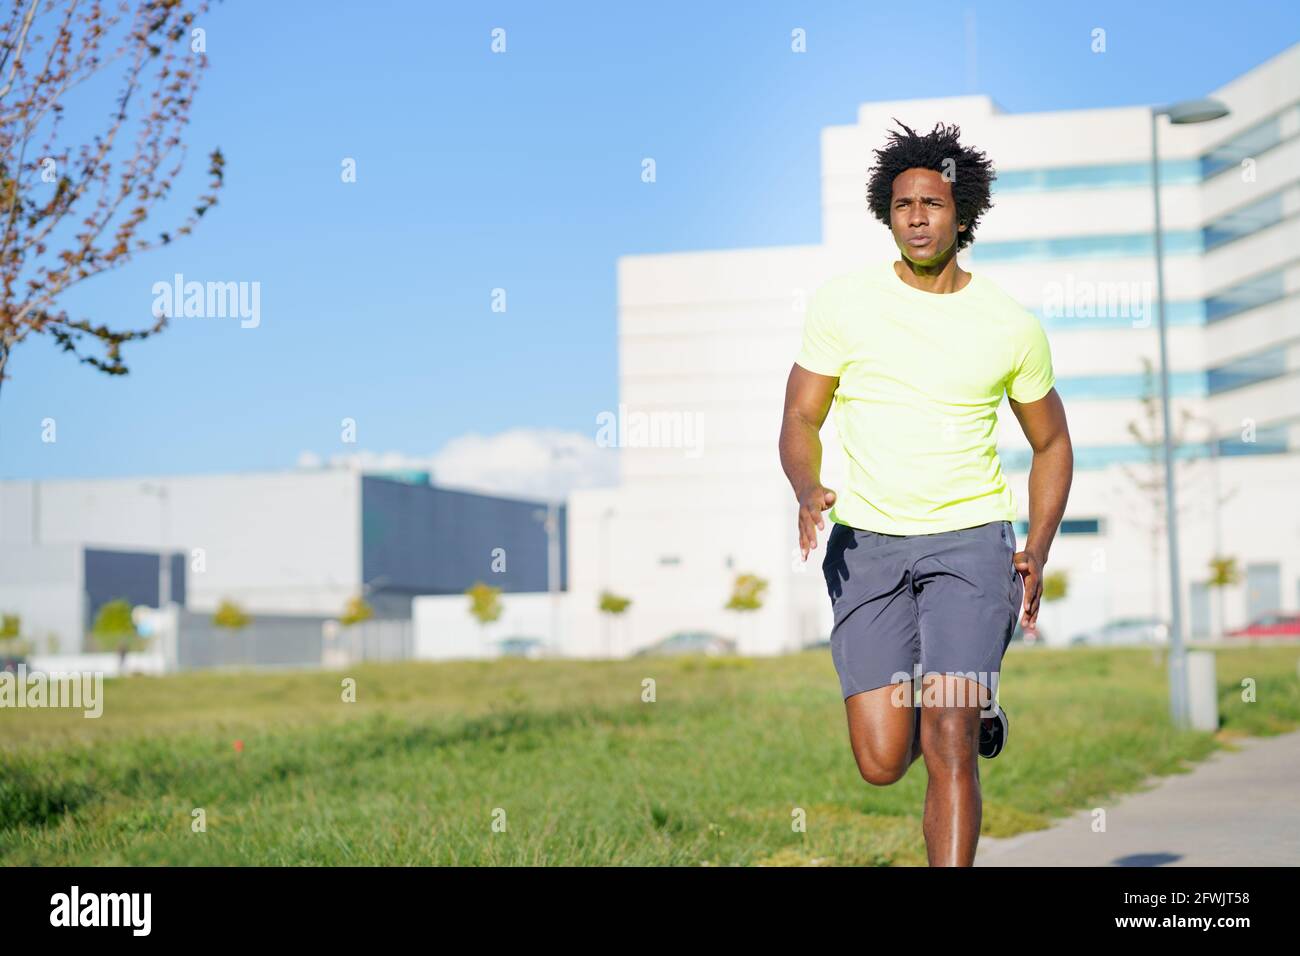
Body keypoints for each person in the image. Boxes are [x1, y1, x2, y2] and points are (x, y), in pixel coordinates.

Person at [778, 119, 1074, 866]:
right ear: (889, 213)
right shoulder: (843, 304)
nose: (916, 215)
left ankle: (966, 713)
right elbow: (800, 416)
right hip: (867, 547)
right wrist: (807, 484)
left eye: (932, 203)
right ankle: (970, 712)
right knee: (881, 760)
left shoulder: (1009, 324)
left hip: (971, 545)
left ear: (961, 215)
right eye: (903, 203)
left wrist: (1035, 547)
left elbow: (1051, 443)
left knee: (947, 735)